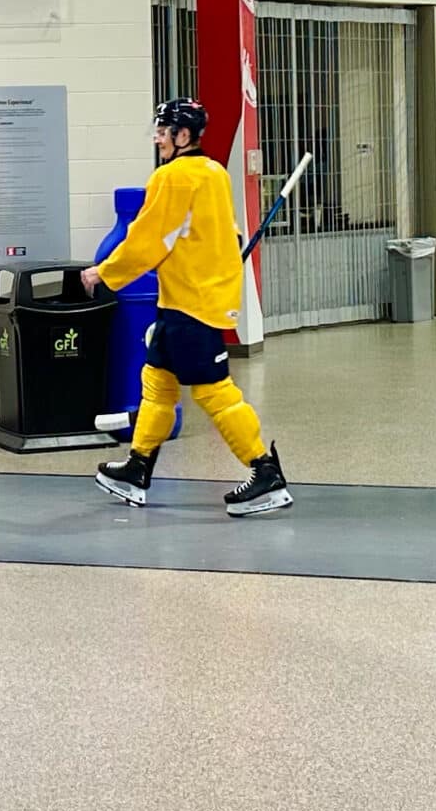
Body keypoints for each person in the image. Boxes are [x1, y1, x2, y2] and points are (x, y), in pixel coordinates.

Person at [82, 98, 292, 517]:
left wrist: (104, 272)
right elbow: (230, 233)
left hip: (192, 306)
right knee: (158, 383)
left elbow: (148, 239)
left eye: (164, 131)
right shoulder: (214, 172)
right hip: (182, 301)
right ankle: (138, 467)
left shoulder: (172, 177)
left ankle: (265, 472)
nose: (158, 138)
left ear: (183, 136)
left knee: (215, 392)